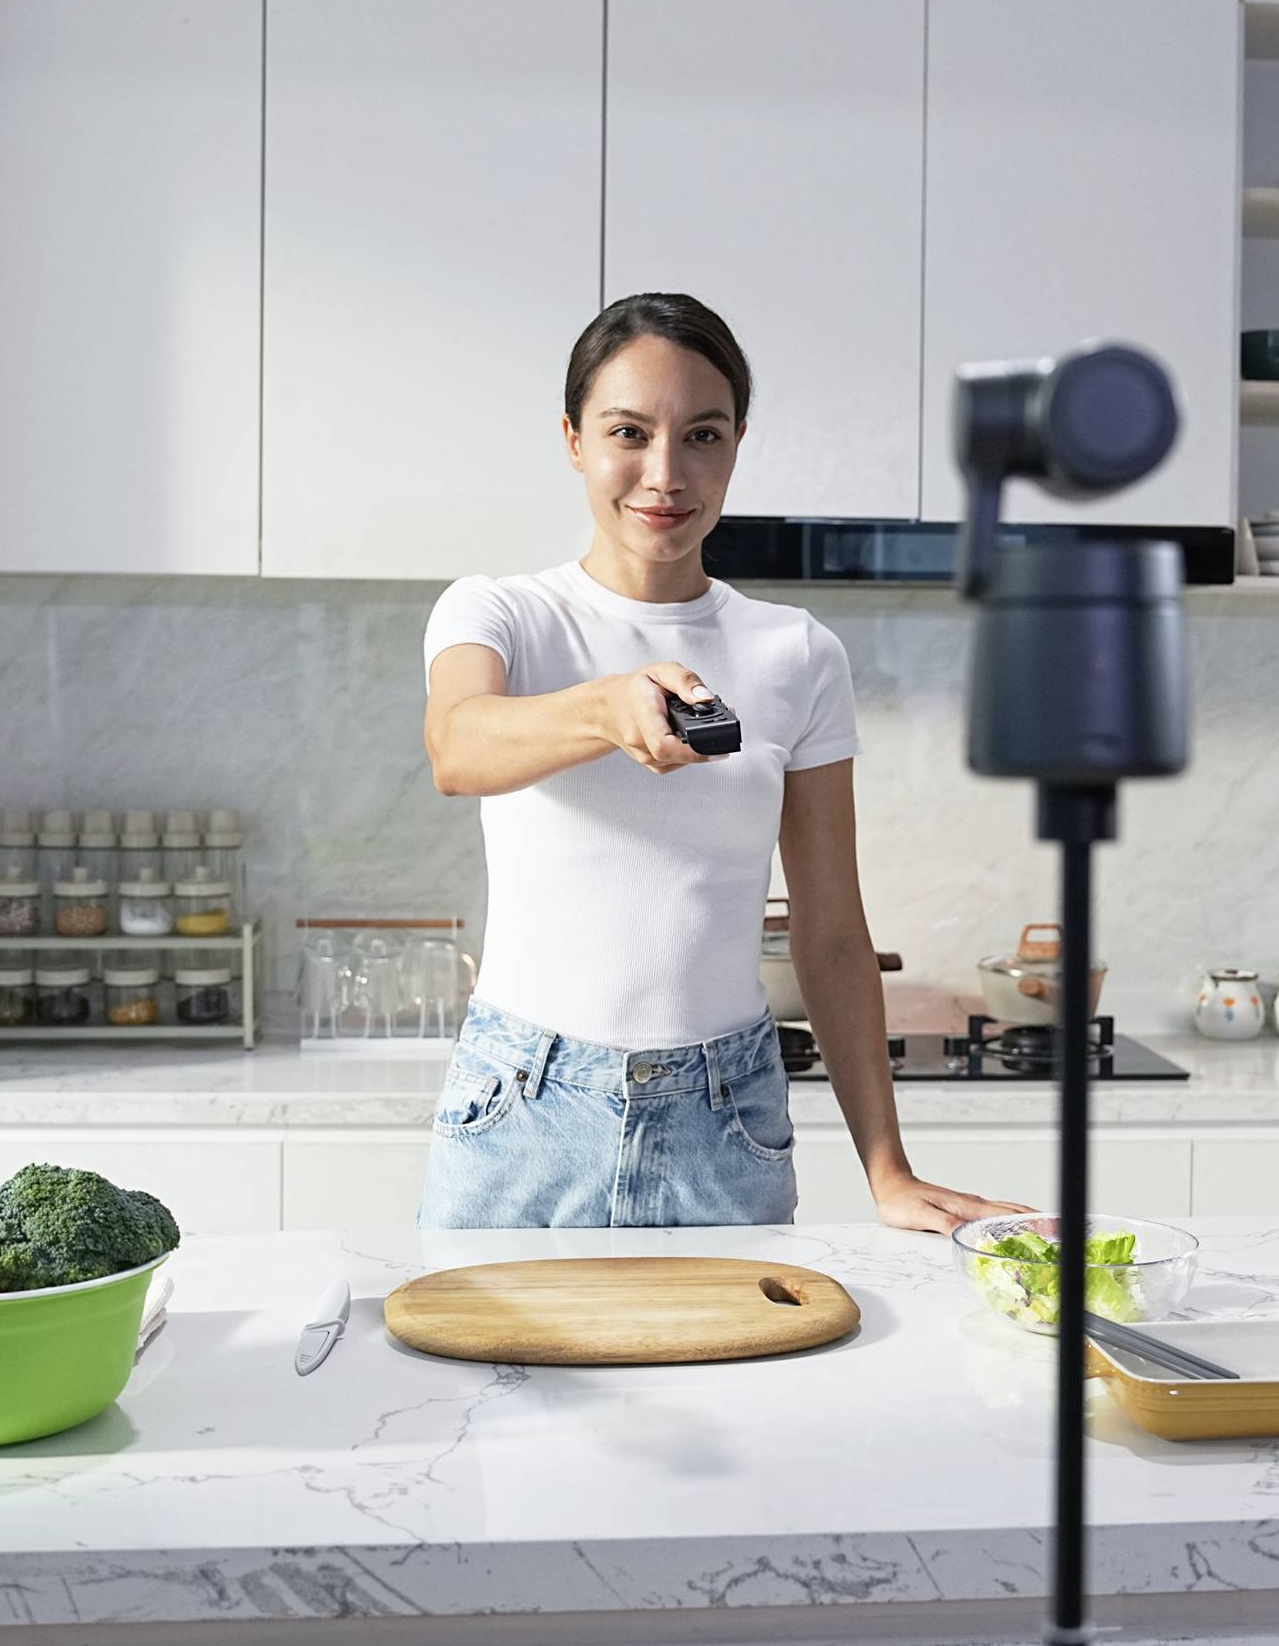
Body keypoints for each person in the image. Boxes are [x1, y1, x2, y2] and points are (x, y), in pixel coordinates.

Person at [416, 292, 1028, 1233]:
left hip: (725, 1117)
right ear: (574, 438)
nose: (665, 474)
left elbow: (830, 935)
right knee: (489, 1384)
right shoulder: (500, 614)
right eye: (628, 431)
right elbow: (458, 746)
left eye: (703, 435)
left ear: (738, 442)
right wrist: (608, 706)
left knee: (741, 1384)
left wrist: (889, 1170)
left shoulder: (798, 653)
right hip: (522, 1111)